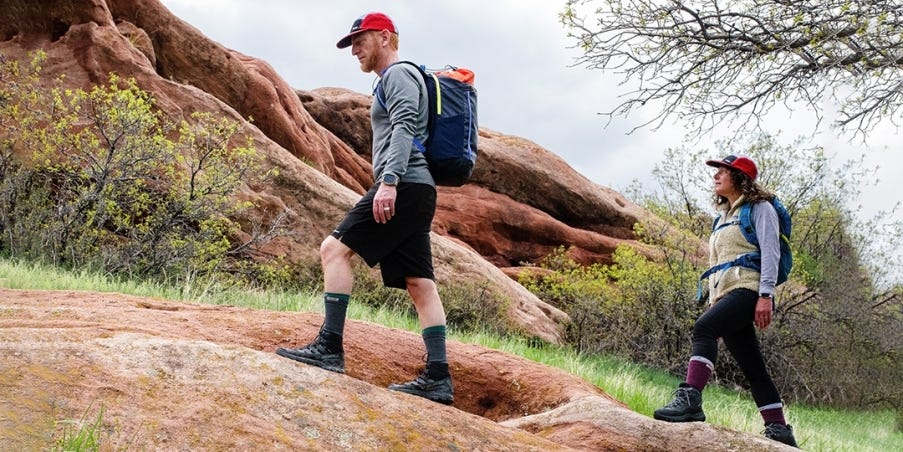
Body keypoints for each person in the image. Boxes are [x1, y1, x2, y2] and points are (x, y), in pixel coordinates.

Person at [276, 12, 453, 405]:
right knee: (419, 283)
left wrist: (388, 182)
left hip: (404, 183)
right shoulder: (392, 79)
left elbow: (405, 125)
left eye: (361, 39)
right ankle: (438, 378)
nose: (354, 48)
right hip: (416, 187)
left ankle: (329, 348)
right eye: (351, 43)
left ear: (386, 38)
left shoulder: (398, 75)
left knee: (333, 250)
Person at [653, 155, 798, 448]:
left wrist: (766, 295)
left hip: (750, 289)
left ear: (739, 176)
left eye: (722, 171)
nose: (716, 176)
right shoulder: (723, 218)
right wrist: (714, 299)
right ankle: (779, 431)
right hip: (727, 293)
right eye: (716, 171)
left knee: (704, 329)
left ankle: (691, 399)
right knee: (752, 367)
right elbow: (716, 260)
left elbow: (771, 252)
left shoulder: (761, 208)